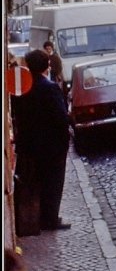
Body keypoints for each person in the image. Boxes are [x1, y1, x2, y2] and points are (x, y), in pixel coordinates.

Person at [12, 48, 71, 231]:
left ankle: (38, 217)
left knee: (37, 181)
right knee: (53, 183)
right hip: (52, 146)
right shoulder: (50, 88)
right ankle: (50, 219)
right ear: (47, 65)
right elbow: (61, 117)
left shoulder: (24, 89)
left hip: (30, 145)